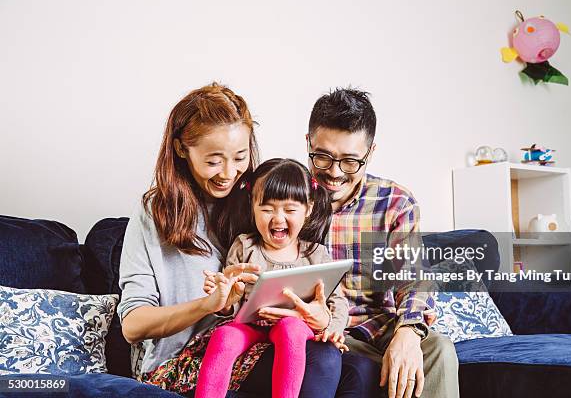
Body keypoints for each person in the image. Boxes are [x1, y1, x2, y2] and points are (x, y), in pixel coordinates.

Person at [117, 83, 342, 397]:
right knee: (322, 362)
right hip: (182, 360)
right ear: (182, 149)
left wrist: (321, 316)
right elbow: (132, 326)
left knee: (350, 365)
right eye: (213, 161)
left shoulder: (258, 201)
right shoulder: (155, 212)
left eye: (240, 157)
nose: (229, 172)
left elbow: (307, 274)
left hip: (256, 343)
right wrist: (209, 304)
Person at [261, 88, 460, 398]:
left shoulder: (395, 202)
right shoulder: (286, 201)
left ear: (371, 152)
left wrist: (408, 332)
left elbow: (414, 276)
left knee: (438, 349)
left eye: (351, 162)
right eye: (323, 157)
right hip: (316, 332)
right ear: (308, 143)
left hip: (378, 328)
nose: (335, 174)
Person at [196, 158, 349, 398]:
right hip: (250, 325)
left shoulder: (316, 254)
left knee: (291, 328)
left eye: (289, 210)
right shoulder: (244, 246)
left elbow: (337, 301)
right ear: (253, 207)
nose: (278, 219)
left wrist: (332, 328)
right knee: (224, 335)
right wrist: (225, 298)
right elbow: (233, 304)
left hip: (296, 327)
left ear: (308, 209)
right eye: (267, 209)